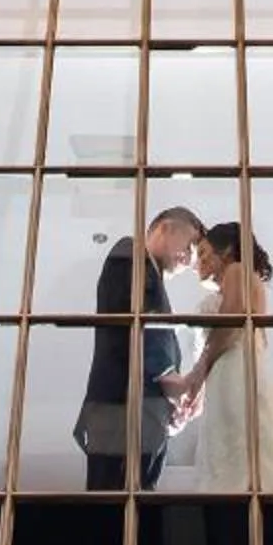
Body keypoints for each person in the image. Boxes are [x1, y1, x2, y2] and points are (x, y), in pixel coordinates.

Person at [163, 221, 273, 494]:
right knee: (233, 452)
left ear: (225, 251)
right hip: (229, 374)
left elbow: (231, 324)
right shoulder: (240, 281)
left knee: (242, 454)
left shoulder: (237, 270)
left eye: (203, 254)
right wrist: (199, 390)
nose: (198, 263)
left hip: (237, 374)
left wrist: (196, 376)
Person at [79, 204, 207, 491]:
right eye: (189, 245)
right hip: (121, 413)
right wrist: (174, 382)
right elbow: (143, 330)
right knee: (118, 506)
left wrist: (175, 398)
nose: (189, 259)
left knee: (132, 504)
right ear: (166, 227)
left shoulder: (151, 281)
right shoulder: (130, 253)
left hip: (137, 417)